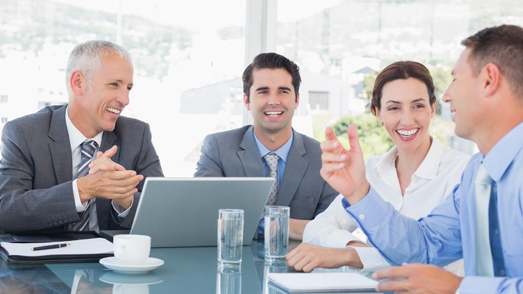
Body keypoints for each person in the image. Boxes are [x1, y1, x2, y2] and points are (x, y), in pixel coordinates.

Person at [324, 24, 523, 294]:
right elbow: (424, 246)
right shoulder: (478, 173)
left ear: (489, 79)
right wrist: (359, 192)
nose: (445, 96)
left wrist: (460, 288)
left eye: (456, 79)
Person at [287, 61, 469, 273]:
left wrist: (351, 256)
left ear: (432, 108)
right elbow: (317, 229)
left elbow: (429, 259)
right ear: (378, 113)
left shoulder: (462, 172)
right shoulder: (370, 170)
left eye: (418, 106)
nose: (407, 120)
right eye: (394, 108)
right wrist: (357, 248)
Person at [0, 40, 163, 234]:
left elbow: (164, 212)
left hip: (112, 261)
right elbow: (5, 213)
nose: (125, 99)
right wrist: (82, 190)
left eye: (128, 88)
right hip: (46, 259)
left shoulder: (136, 135)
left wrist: (125, 198)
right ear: (78, 83)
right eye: (114, 85)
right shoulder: (24, 132)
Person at [194, 52, 339, 238]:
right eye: (263, 92)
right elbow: (204, 216)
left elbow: (331, 230)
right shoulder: (218, 148)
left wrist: (247, 222)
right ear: (247, 101)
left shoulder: (322, 157)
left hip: (298, 265)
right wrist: (292, 227)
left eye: (283, 91)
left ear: (297, 100)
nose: (273, 101)